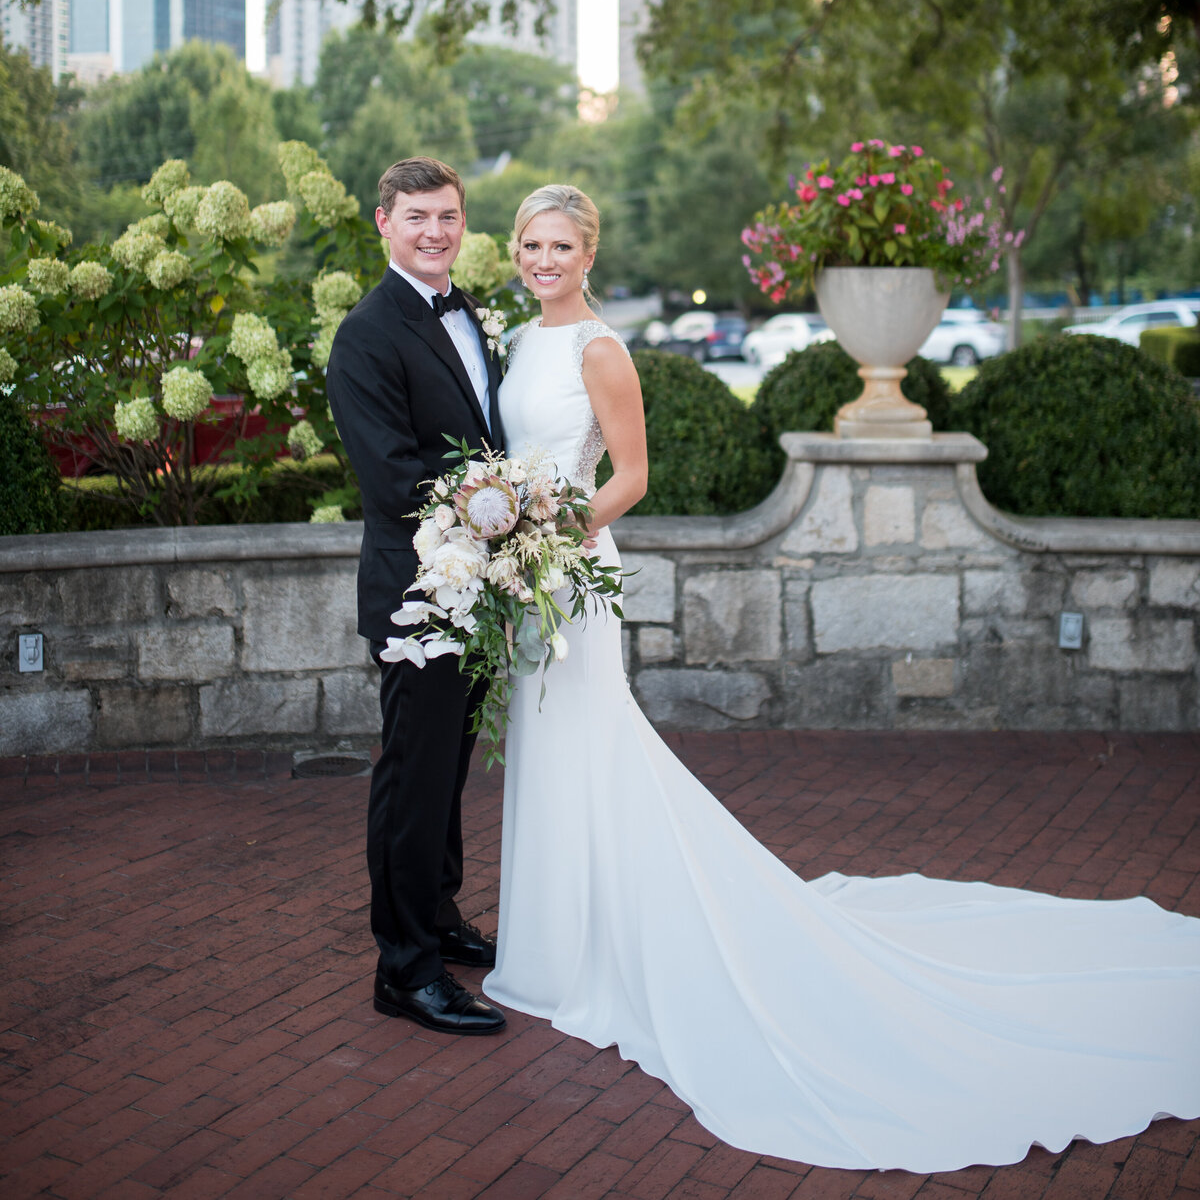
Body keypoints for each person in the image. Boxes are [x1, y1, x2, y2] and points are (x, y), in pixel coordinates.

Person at [483, 181, 1200, 1173]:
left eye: (559, 245)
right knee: (547, 748)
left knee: (590, 739)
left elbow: (632, 476)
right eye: (530, 243)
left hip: (572, 569)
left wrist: (555, 533)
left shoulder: (601, 347)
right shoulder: (521, 339)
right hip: (522, 572)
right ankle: (554, 945)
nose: (542, 259)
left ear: (588, 254)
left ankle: (596, 949)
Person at [326, 157, 506, 1037]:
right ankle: (404, 969)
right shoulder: (366, 333)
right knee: (410, 776)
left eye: (449, 217)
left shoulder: (468, 309)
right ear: (383, 222)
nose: (436, 232)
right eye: (418, 217)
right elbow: (393, 474)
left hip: (478, 589)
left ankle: (437, 914)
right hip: (416, 595)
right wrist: (504, 503)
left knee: (448, 769)